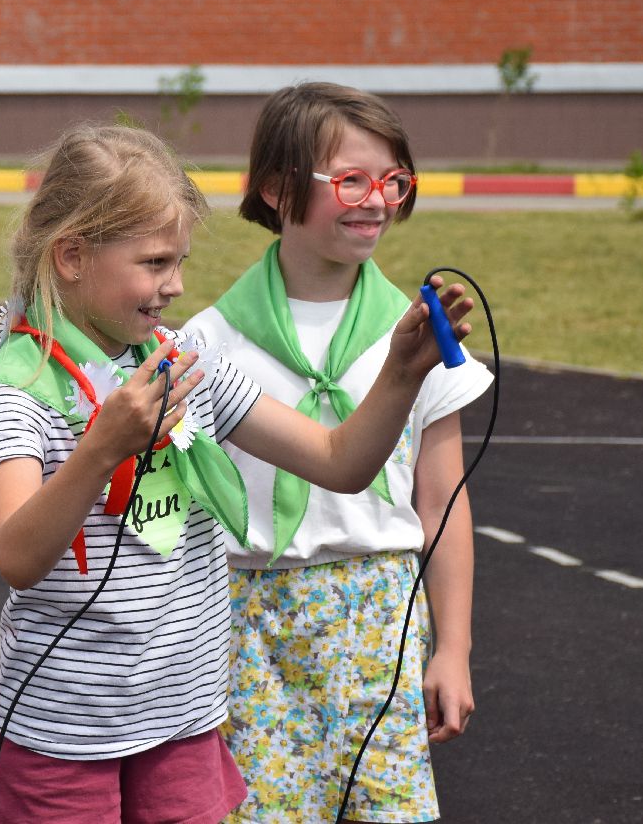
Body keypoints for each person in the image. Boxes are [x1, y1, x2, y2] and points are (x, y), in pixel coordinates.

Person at [0, 123, 474, 824]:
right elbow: (17, 556)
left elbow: (338, 461)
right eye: (152, 263)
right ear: (73, 255)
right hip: (66, 731)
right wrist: (99, 449)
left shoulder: (182, 362)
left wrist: (399, 374)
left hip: (185, 718)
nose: (174, 286)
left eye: (179, 262)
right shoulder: (18, 389)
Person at [183, 83, 491, 824]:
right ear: (276, 188)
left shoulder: (416, 337)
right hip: (250, 628)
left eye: (394, 180)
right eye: (351, 180)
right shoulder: (207, 342)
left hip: (380, 620)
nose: (376, 201)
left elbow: (442, 502)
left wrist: (453, 649)